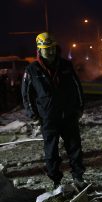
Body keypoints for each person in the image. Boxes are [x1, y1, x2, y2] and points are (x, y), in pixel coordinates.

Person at [21, 32, 87, 190]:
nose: (50, 52)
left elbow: (78, 87)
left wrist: (79, 107)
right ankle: (56, 180)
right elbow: (26, 95)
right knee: (51, 152)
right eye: (46, 49)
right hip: (48, 118)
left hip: (69, 115)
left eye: (52, 48)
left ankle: (78, 177)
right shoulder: (32, 70)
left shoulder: (66, 65)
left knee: (75, 148)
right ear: (39, 50)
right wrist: (33, 115)